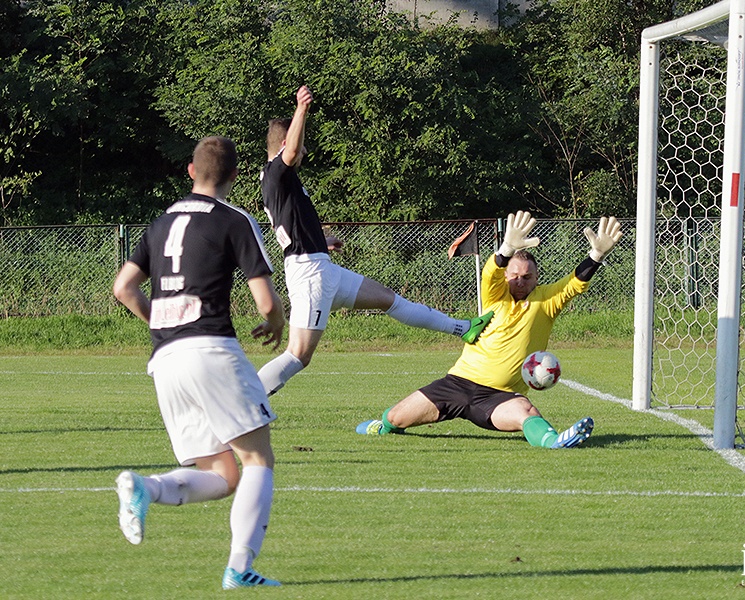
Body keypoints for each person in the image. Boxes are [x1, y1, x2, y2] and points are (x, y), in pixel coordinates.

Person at [112, 136, 286, 589]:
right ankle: (240, 567)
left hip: (165, 360)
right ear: (233, 175)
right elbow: (265, 301)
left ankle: (145, 488)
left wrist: (161, 325)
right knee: (258, 460)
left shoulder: (160, 221)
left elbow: (124, 288)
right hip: (211, 350)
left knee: (222, 473)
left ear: (191, 171)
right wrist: (277, 323)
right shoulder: (235, 220)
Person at [255, 84, 492, 396]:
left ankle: (463, 328)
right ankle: (244, 401)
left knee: (389, 299)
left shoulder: (277, 180)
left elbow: (290, 226)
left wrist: (321, 239)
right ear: (286, 144)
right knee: (298, 354)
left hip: (319, 266)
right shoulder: (277, 173)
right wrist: (301, 109)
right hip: (310, 272)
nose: (303, 155)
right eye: (300, 149)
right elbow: (292, 151)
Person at [356, 210, 623, 448]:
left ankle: (554, 441)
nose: (519, 281)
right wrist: (506, 249)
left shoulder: (546, 301)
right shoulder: (495, 296)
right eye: (514, 276)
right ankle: (383, 427)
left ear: (537, 278)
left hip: (499, 397)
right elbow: (489, 274)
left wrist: (596, 255)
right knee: (395, 417)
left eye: (527, 277)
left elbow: (574, 283)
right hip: (457, 383)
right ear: (507, 275)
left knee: (527, 413)